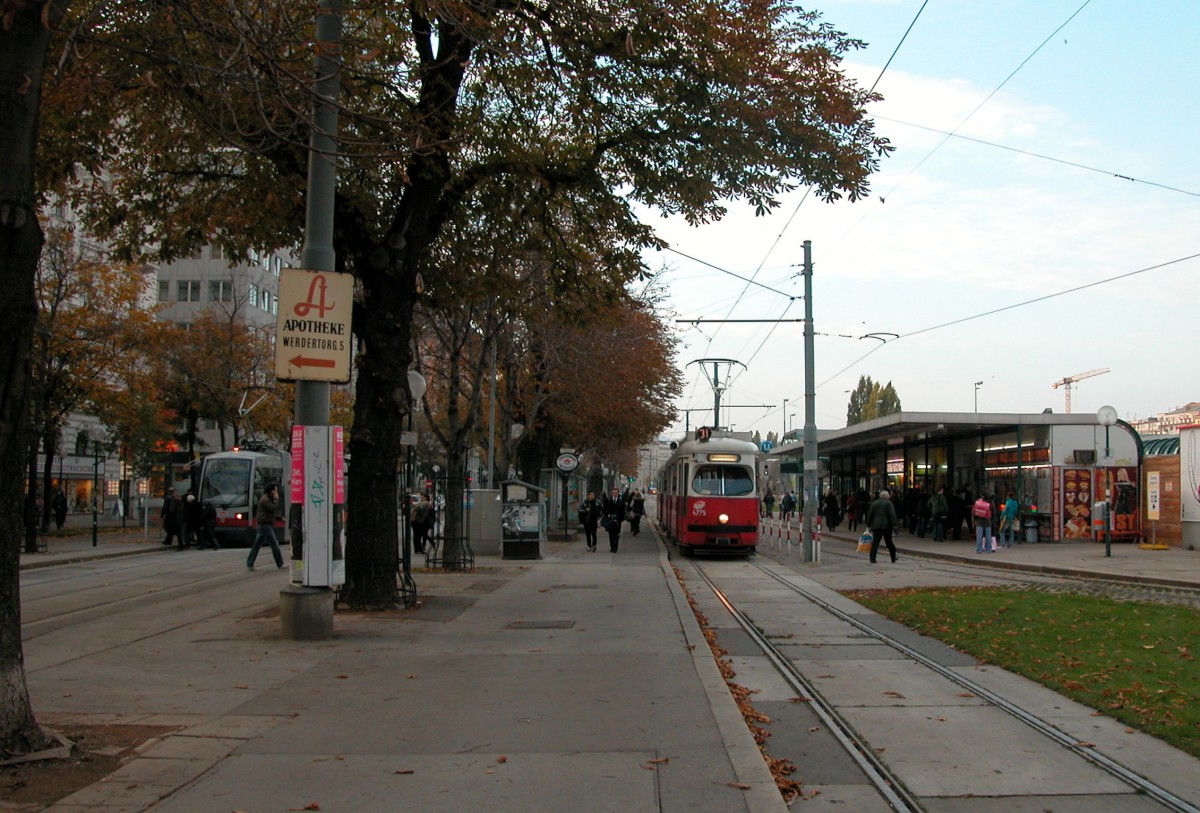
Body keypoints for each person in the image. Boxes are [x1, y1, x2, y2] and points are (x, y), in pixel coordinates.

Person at [246, 483, 285, 570]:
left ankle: (250, 563)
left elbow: (269, 513)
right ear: (270, 491)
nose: (276, 493)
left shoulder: (266, 498)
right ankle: (280, 563)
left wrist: (280, 518)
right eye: (274, 491)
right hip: (265, 525)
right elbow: (273, 508)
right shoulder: (265, 499)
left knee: (257, 544)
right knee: (274, 544)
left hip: (263, 524)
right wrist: (276, 499)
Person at [865, 489, 898, 564]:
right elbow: (892, 515)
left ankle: (872, 558)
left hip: (876, 526)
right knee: (889, 542)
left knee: (875, 542)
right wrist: (895, 525)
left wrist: (868, 524)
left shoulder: (875, 503)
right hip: (887, 526)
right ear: (887, 496)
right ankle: (893, 557)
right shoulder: (889, 503)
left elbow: (870, 514)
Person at [602, 487, 626, 553]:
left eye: (616, 493)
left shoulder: (621, 501)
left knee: (616, 534)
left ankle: (615, 547)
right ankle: (611, 546)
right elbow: (605, 509)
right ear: (612, 493)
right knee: (611, 534)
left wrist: (621, 518)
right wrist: (607, 515)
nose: (615, 494)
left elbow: (623, 510)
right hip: (610, 520)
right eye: (614, 493)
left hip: (618, 520)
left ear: (618, 493)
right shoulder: (608, 500)